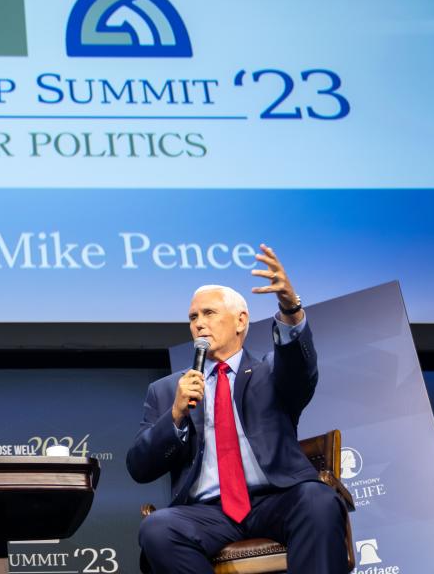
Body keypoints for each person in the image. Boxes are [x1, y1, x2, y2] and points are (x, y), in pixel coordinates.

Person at [126, 244, 348, 573]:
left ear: (240, 321)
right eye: (192, 317)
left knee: (318, 501)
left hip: (276, 499)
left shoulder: (272, 373)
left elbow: (300, 367)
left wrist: (291, 309)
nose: (198, 324)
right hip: (207, 512)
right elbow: (139, 467)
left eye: (209, 313)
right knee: (158, 528)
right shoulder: (167, 390)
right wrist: (174, 416)